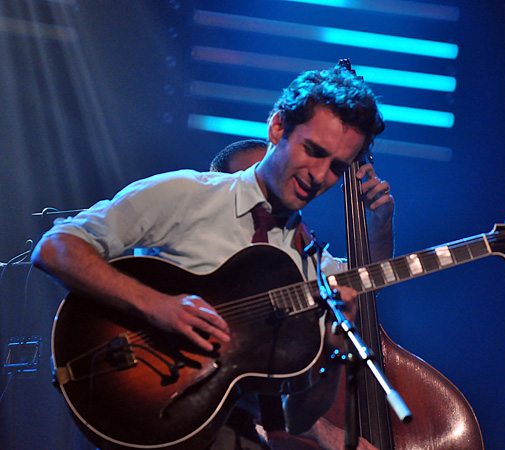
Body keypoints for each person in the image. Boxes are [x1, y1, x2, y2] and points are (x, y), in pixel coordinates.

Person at [32, 65, 394, 449]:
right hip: (137, 405)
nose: (319, 175)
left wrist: (337, 347)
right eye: (313, 151)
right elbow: (56, 247)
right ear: (277, 128)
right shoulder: (188, 195)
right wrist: (156, 305)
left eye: (336, 167)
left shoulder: (310, 265)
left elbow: (298, 419)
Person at [209, 139, 388, 450]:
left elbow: (365, 276)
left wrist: (379, 221)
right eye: (251, 183)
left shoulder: (302, 253)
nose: (265, 197)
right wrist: (323, 431)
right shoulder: (205, 248)